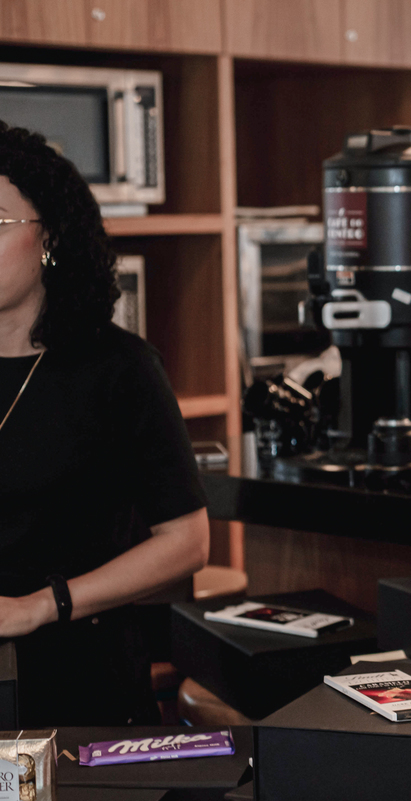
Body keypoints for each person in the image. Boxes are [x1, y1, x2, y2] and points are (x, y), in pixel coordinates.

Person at [0, 121, 210, 726]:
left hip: (78, 680)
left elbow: (188, 541)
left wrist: (41, 605)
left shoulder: (120, 369)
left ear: (50, 237)